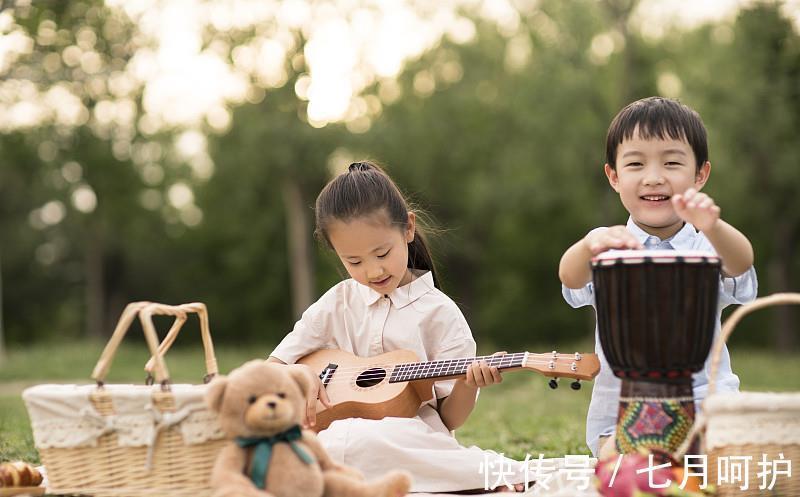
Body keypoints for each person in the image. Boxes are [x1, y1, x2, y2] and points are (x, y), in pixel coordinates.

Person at [267, 161, 529, 493]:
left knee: (355, 442)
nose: (373, 271)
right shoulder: (336, 303)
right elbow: (267, 370)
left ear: (407, 228)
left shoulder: (439, 314)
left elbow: (450, 420)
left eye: (382, 253)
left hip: (410, 442)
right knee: (316, 442)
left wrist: (468, 384)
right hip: (330, 434)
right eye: (355, 262)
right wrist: (297, 375)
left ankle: (485, 474)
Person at [558, 96, 757, 458]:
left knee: (725, 460)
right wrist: (588, 245)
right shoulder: (608, 245)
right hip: (622, 410)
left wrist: (714, 226)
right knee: (623, 463)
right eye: (636, 164)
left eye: (671, 162)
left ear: (700, 175)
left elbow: (742, 263)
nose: (654, 177)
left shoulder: (707, 245)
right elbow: (570, 278)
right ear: (614, 177)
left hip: (707, 403)